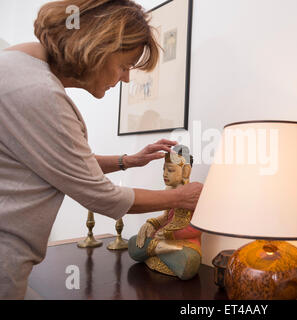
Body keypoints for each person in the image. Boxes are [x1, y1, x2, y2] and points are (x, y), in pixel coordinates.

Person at [0, 0, 202, 299]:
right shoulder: (39, 93)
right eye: (124, 65)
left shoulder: (15, 64)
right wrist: (179, 197)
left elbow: (57, 161)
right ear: (98, 46)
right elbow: (100, 195)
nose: (126, 78)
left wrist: (127, 161)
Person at [128, 145, 202, 280]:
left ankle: (154, 250)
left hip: (184, 245)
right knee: (133, 243)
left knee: (190, 262)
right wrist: (152, 223)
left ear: (186, 171)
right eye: (164, 169)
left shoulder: (195, 192)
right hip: (162, 241)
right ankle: (159, 248)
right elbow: (166, 217)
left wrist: (169, 233)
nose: (164, 174)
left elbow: (197, 228)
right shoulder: (169, 191)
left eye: (170, 170)